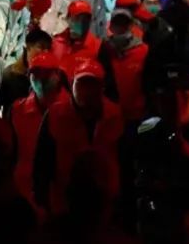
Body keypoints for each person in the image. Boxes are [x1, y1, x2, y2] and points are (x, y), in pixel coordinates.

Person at [33, 60, 123, 217]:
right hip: (63, 205)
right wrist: (42, 199)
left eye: (92, 85)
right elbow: (42, 160)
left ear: (102, 87)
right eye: (82, 84)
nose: (87, 91)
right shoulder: (56, 115)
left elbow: (124, 158)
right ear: (71, 85)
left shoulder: (115, 115)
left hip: (107, 205)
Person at [8, 52, 63, 207]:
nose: (42, 79)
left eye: (47, 73)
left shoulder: (69, 110)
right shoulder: (17, 110)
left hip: (61, 192)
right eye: (36, 74)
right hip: (24, 189)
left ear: (57, 75)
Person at [98, 6, 150, 124]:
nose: (121, 27)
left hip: (138, 116)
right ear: (111, 26)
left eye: (124, 23)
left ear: (131, 25)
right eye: (117, 23)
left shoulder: (143, 50)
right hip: (111, 116)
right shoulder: (104, 50)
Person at [0, 28, 52, 115]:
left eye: (48, 49)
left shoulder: (49, 77)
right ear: (28, 48)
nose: (46, 52)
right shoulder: (10, 75)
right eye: (41, 47)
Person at [52, 0, 103, 81]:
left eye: (84, 20)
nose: (81, 23)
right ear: (68, 19)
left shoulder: (97, 46)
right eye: (76, 18)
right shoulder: (56, 43)